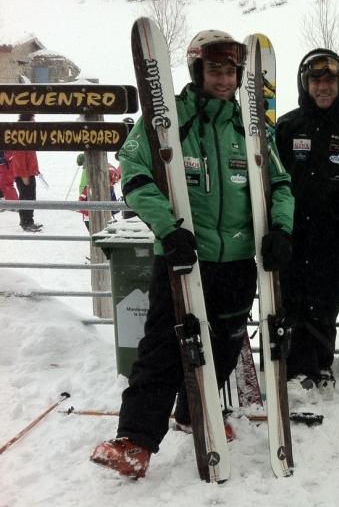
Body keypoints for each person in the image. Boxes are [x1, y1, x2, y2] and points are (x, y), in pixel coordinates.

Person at [90, 30, 295, 479]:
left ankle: (192, 410)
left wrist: (281, 229)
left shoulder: (251, 126)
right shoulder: (169, 119)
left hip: (240, 259)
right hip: (185, 255)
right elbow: (136, 173)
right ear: (197, 71)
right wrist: (168, 228)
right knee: (165, 346)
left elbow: (279, 184)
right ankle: (136, 441)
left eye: (231, 71)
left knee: (223, 343)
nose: (223, 79)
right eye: (215, 69)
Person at [273, 48, 339, 404]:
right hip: (294, 234)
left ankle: (322, 366)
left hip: (337, 235)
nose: (323, 87)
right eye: (316, 80)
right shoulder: (287, 126)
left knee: (327, 305)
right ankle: (298, 368)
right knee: (295, 302)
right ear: (305, 83)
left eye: (330, 80)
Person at [8, 114, 42, 232]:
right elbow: (19, 157)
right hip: (23, 174)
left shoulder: (28, 134)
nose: (35, 121)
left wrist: (34, 169)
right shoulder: (20, 135)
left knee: (31, 197)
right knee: (26, 197)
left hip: (29, 172)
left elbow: (30, 156)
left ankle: (29, 220)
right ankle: (26, 222)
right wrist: (24, 175)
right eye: (33, 119)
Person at [76, 152, 121, 231]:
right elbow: (82, 199)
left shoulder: (108, 187)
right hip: (92, 216)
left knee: (104, 236)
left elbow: (114, 206)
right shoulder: (90, 183)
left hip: (103, 215)